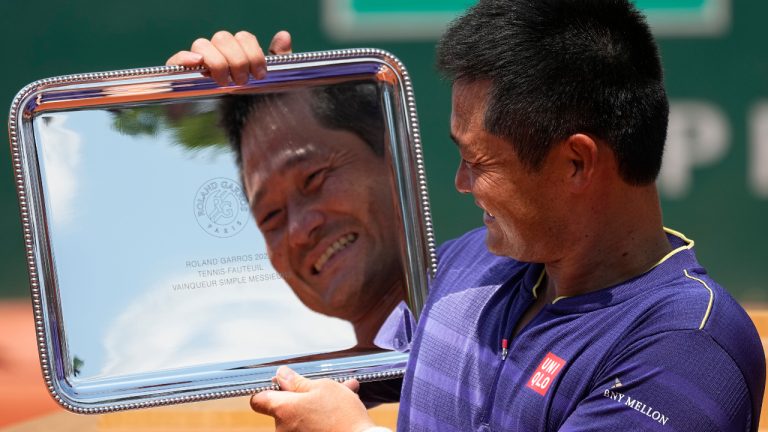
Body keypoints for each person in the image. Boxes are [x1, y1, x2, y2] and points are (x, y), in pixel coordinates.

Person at [167, 0, 766, 431]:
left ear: (577, 164)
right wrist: (250, 91)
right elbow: (316, 351)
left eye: (478, 162)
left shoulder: (690, 347)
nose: (460, 184)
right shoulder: (462, 269)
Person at [218, 84, 407, 349]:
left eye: (313, 178)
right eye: (271, 217)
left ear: (395, 156)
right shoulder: (310, 388)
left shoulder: (483, 313)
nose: (298, 230)